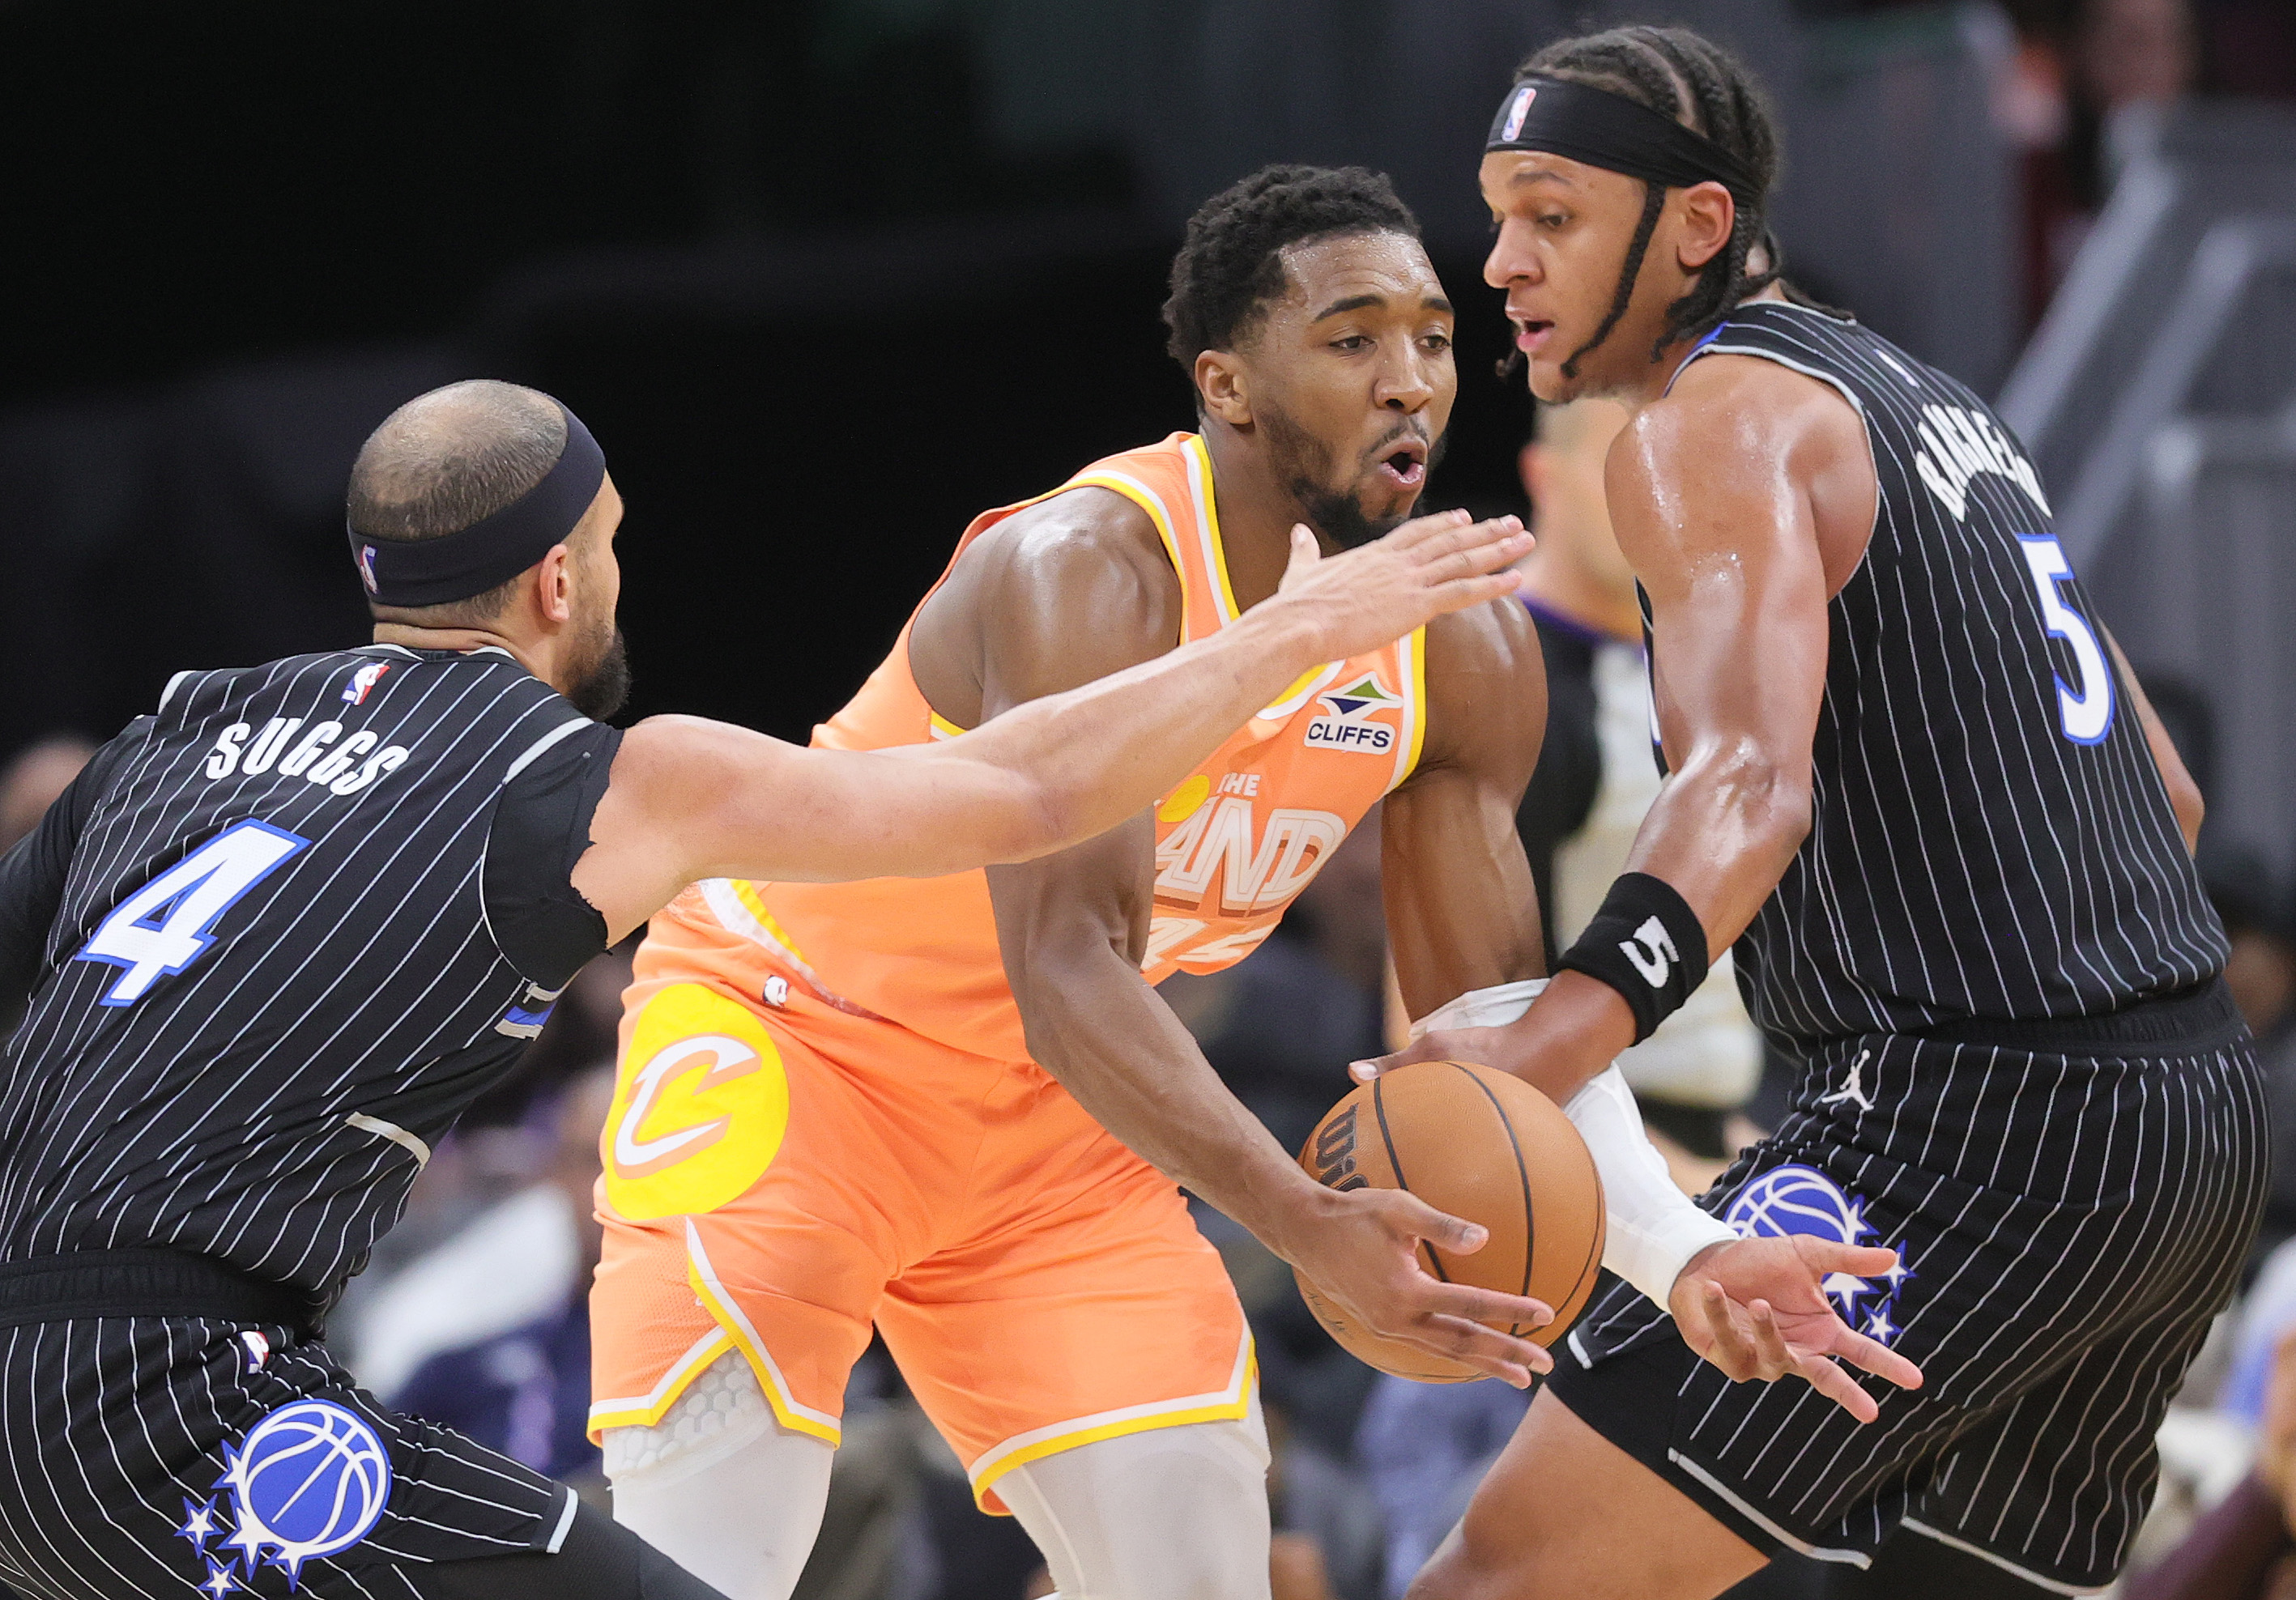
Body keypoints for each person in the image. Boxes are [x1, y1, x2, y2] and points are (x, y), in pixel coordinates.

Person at [590, 164, 1897, 1600]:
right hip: (801, 1056)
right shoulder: (1089, 569)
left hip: (1052, 1139)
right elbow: (1066, 969)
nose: (1408, 380)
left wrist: (1682, 1255)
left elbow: (1497, 1032)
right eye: (1351, 341)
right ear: (1230, 382)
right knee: (701, 1580)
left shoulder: (1461, 648)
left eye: (1432, 337)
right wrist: (1302, 1217)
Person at [0, 377, 1532, 1600]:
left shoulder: (165, 738)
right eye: (609, 544)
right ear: (558, 577)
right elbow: (1028, 787)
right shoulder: (591, 779)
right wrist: (1298, 630)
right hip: (176, 1394)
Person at [1365, 24, 2260, 1600]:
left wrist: (1541, 1049)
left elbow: (1743, 786)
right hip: (2193, 1124)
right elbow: (2162, 795)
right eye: (1498, 213)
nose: (1500, 262)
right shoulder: (1935, 406)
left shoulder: (1705, 423)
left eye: (1552, 216)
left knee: (1493, 1581)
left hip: (1968, 1125)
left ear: (1694, 226)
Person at [1510, 396, 1761, 1175]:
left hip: (1729, 1127)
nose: (1662, 503)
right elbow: (1427, 1022)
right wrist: (1671, 1194)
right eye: (1628, 467)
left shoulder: (1723, 664)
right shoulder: (1505, 687)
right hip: (1579, 1157)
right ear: (1544, 479)